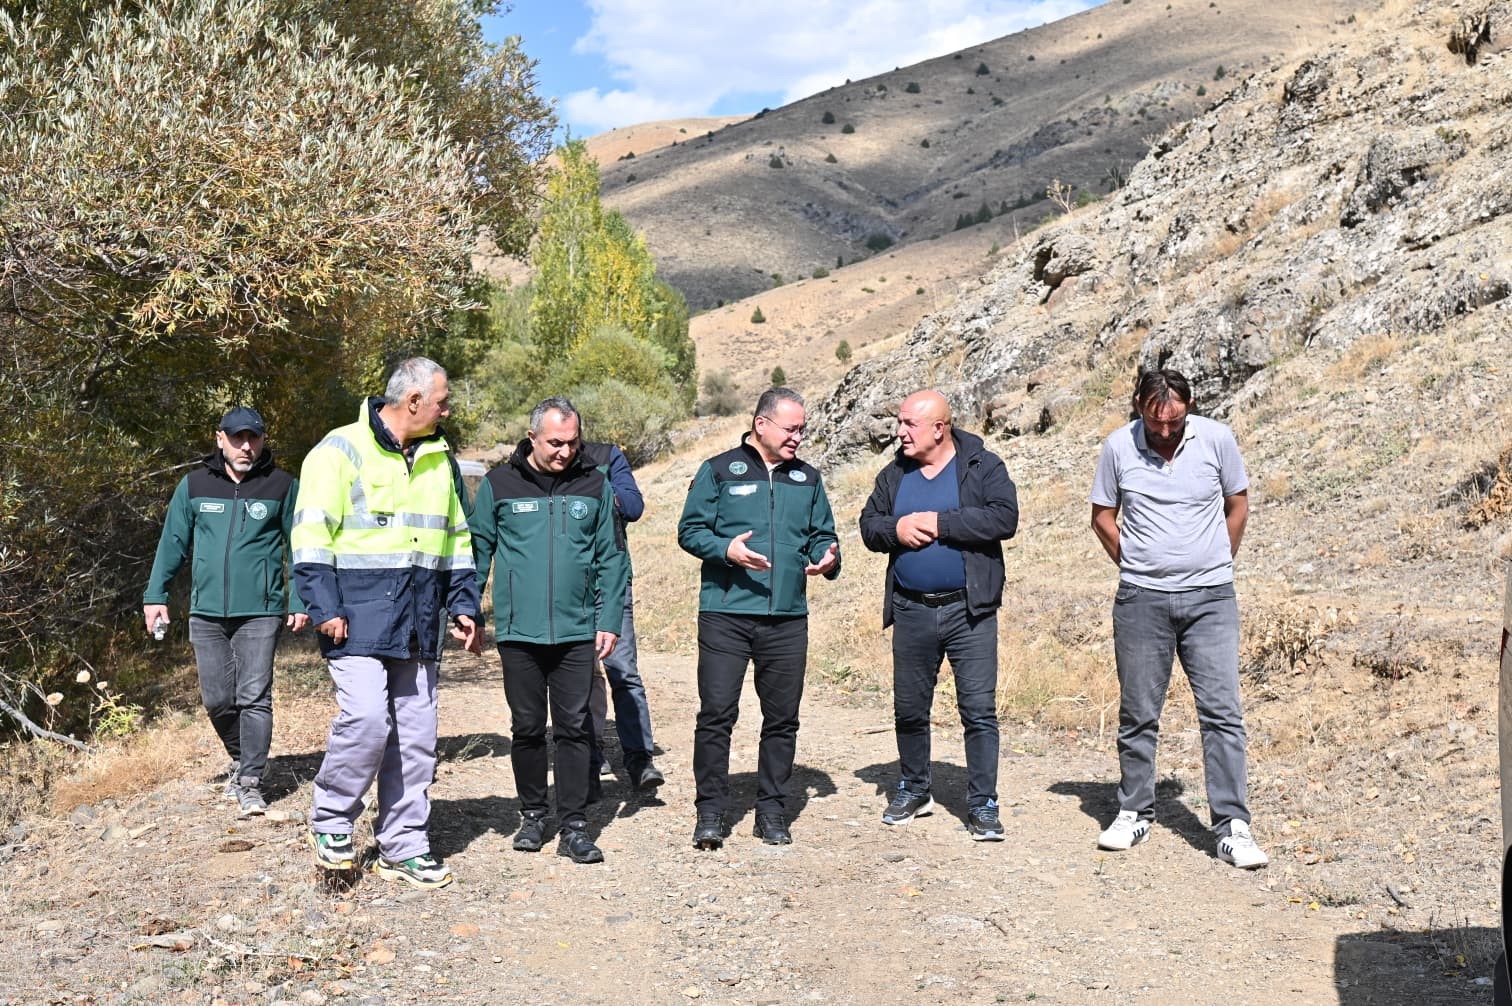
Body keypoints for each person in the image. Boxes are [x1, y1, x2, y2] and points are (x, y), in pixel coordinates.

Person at [293, 358, 481, 890]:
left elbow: (456, 540)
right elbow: (310, 537)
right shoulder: (338, 450)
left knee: (417, 738)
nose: (448, 408)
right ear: (414, 401)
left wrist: (464, 605)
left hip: (419, 620)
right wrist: (323, 607)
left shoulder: (441, 459)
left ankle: (403, 846)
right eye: (442, 399)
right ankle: (331, 822)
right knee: (369, 720)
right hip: (355, 619)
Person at [1089, 368, 1268, 869]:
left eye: (1174, 421)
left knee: (1222, 714)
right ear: (1139, 406)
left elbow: (1238, 503)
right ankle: (1133, 810)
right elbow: (1102, 514)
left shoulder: (1217, 439)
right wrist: (1135, 562)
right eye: (1154, 420)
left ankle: (1233, 825)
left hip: (1211, 600)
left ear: (1190, 406)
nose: (1164, 431)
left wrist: (1218, 560)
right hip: (1142, 600)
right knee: (1138, 713)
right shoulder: (1118, 447)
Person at [678, 387, 841, 849]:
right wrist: (724, 550)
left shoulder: (807, 478)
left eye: (802, 430)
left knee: (782, 719)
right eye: (791, 429)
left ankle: (771, 810)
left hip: (787, 618)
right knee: (716, 715)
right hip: (725, 614)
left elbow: (822, 535)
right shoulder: (718, 470)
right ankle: (710, 811)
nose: (798, 438)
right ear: (761, 424)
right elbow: (689, 531)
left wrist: (827, 557)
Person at [469, 398, 629, 865]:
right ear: (533, 436)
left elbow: (612, 558)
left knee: (576, 727)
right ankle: (534, 815)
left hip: (578, 631)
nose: (564, 451)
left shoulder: (594, 485)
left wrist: (609, 620)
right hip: (520, 631)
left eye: (572, 442)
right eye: (555, 443)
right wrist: (469, 609)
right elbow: (479, 549)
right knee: (527, 727)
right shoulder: (500, 484)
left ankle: (575, 825)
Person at [858, 390, 1019, 841]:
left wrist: (941, 523)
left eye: (909, 423)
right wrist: (897, 528)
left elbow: (1004, 518)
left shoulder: (982, 466)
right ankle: (914, 788)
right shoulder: (894, 474)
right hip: (911, 609)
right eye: (900, 422)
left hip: (969, 611)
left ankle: (983, 804)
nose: (900, 431)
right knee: (909, 708)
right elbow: (869, 526)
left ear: (939, 428)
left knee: (978, 711)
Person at [143, 406, 308, 817]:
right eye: (237, 438)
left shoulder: (283, 486)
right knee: (217, 699)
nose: (246, 446)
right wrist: (154, 596)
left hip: (262, 610)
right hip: (207, 611)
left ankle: (250, 780)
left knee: (254, 695)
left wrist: (302, 600)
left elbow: (302, 547)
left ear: (263, 440)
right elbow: (172, 543)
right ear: (221, 439)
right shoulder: (195, 484)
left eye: (253, 438)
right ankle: (245, 754)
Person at [580, 440, 665, 794]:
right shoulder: (538, 461)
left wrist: (596, 493)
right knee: (577, 676)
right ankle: (587, 755)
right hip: (562, 590)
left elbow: (633, 506)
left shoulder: (606, 457)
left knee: (623, 670)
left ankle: (640, 759)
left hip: (610, 582)